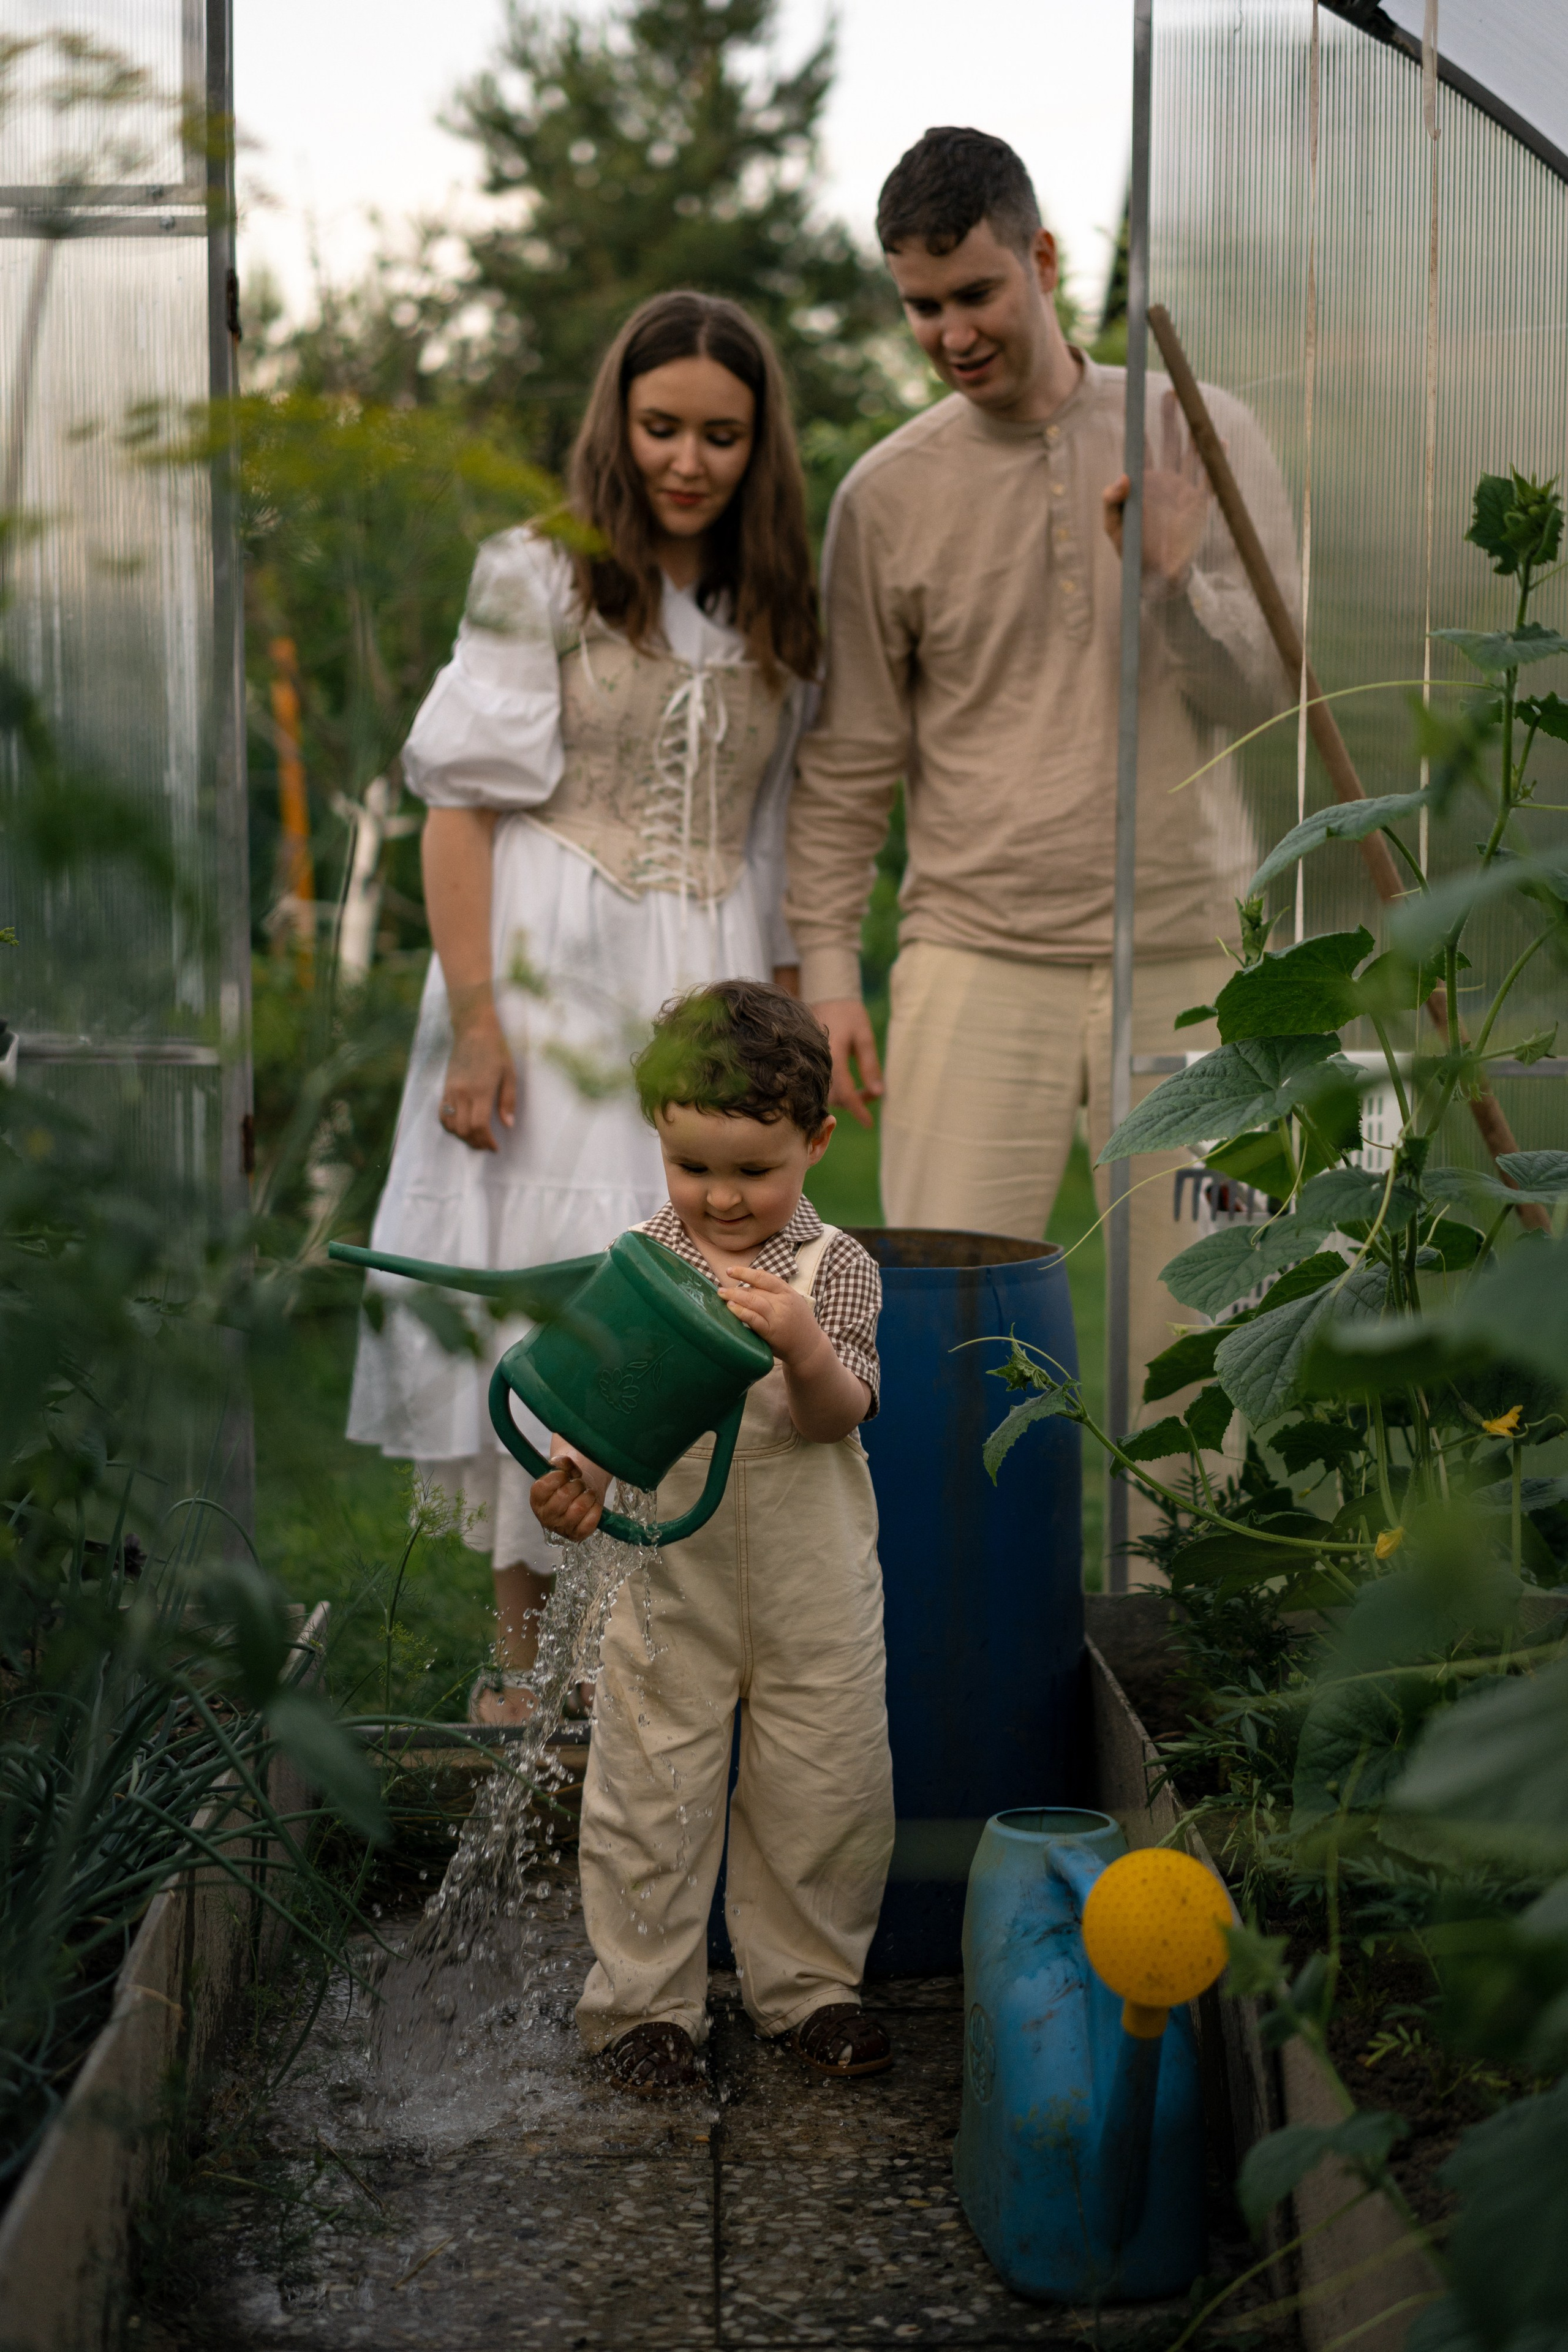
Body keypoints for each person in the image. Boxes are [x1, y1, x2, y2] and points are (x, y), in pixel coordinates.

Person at [783, 128, 1297, 1524]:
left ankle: (1184, 1672)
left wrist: (1180, 575)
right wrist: (827, 968)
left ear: (1042, 260)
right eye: (920, 303)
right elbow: (847, 760)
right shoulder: (883, 496)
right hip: (975, 958)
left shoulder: (1200, 433)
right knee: (938, 1349)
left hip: (1197, 960)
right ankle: (954, 1683)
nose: (949, 331)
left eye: (973, 293)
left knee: (1198, 1344)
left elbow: (1275, 694)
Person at [347, 295, 820, 1719]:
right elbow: (454, 811)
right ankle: (519, 1672)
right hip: (554, 961)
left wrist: (791, 1040)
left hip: (713, 957)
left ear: (757, 444)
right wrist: (480, 1023)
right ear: (618, 420)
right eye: (661, 425)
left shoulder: (774, 601)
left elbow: (781, 834)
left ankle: (650, 1650)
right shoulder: (539, 573)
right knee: (563, 1283)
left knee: (700, 1283)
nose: (686, 459)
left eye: (719, 435)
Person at [530, 981, 895, 2094]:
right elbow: (607, 1412)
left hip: (811, 1585)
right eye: (694, 1168)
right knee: (651, 1788)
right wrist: (575, 1477)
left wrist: (803, 1350)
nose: (723, 1200)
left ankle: (812, 1990)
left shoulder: (835, 1270)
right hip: (669, 1578)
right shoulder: (643, 1263)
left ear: (816, 1143)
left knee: (824, 1783)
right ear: (659, 1138)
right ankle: (644, 2008)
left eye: (754, 1171)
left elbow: (840, 1417)